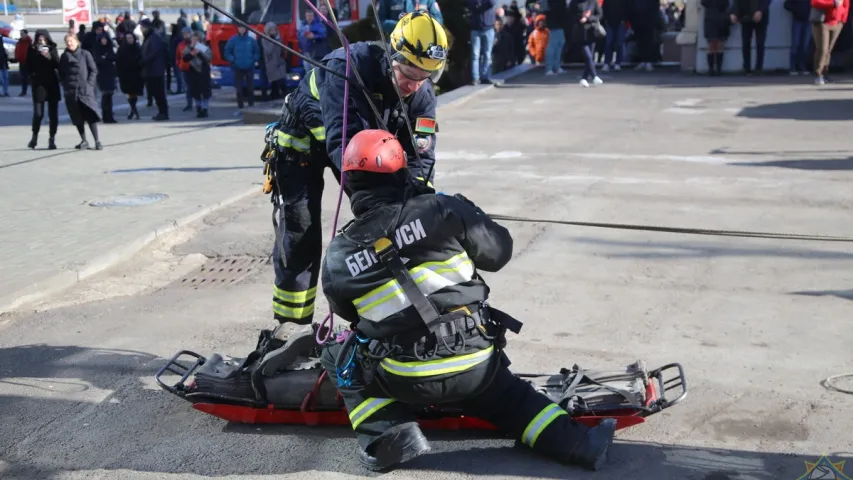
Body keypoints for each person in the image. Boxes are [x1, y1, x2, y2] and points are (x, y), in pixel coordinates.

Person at [317, 129, 618, 472]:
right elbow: (499, 252)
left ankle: (389, 437)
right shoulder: (441, 209)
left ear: (348, 184)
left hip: (403, 376)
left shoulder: (340, 254)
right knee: (511, 399)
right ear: (403, 172)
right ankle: (579, 444)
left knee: (336, 354)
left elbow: (348, 315)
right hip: (476, 366)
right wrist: (465, 210)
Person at [264, 11, 446, 327]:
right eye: (408, 74)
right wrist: (379, 205)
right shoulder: (346, 70)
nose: (414, 85)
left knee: (394, 217)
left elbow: (420, 159)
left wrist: (415, 207)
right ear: (393, 57)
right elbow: (342, 144)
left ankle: (388, 314)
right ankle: (290, 328)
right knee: (301, 230)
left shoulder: (421, 93)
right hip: (303, 146)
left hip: (358, 146)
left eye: (424, 77)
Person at [59, 34, 103, 150]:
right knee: (77, 117)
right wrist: (65, 86)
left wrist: (89, 84)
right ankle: (84, 140)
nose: (69, 43)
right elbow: (61, 73)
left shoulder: (85, 54)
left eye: (71, 41)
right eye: (67, 41)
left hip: (85, 91)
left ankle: (97, 141)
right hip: (71, 92)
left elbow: (93, 70)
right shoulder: (64, 56)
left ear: (77, 42)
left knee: (90, 115)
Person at [26, 30, 61, 149]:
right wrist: (33, 75)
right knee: (38, 113)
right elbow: (27, 65)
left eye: (44, 39)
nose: (41, 42)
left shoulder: (52, 48)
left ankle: (52, 139)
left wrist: (48, 55)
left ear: (47, 39)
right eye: (39, 40)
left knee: (53, 114)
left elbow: (57, 64)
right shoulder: (32, 49)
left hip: (52, 84)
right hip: (38, 85)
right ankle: (34, 136)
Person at [116, 32, 144, 119]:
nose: (130, 40)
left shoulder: (137, 48)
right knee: (129, 93)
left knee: (134, 93)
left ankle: (132, 111)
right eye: (128, 38)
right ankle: (134, 111)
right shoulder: (122, 49)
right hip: (126, 75)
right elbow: (118, 62)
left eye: (131, 38)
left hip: (136, 74)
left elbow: (141, 59)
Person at [378, 0, 445, 35]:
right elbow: (379, 23)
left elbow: (438, 21)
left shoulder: (427, 0)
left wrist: (422, 23)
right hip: (396, 46)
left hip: (423, 44)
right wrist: (403, 24)